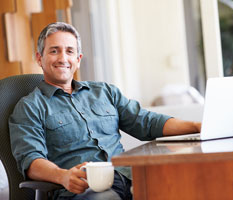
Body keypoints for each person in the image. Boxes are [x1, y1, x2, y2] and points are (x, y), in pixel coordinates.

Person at [9, 22, 201, 200]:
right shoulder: (29, 107)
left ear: (78, 59)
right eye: (54, 51)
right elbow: (31, 160)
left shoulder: (105, 92)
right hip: (82, 189)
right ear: (39, 58)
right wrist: (63, 176)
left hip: (128, 176)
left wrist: (198, 126)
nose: (63, 58)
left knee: (184, 185)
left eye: (70, 51)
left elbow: (146, 122)